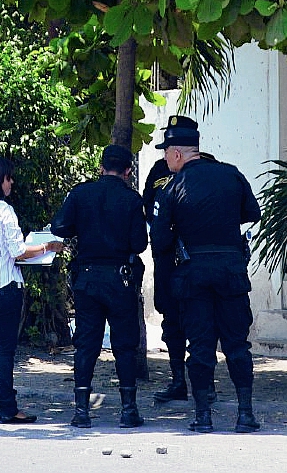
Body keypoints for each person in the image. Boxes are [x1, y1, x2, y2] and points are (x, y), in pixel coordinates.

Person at [150, 117, 262, 433]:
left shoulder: (172, 189)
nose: (164, 159)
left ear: (176, 154)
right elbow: (252, 213)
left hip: (193, 275)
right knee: (238, 345)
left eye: (165, 153)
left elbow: (158, 240)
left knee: (200, 346)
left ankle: (203, 417)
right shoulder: (231, 175)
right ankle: (245, 414)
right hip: (231, 271)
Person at [0, 156, 63, 424]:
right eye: (8, 178)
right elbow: (18, 252)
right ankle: (8, 408)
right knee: (4, 351)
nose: (11, 182)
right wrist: (46, 247)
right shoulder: (3, 211)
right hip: (2, 286)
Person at [52, 144, 148, 429]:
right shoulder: (132, 199)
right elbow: (140, 244)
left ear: (101, 167)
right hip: (120, 278)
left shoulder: (82, 193)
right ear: (128, 171)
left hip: (88, 277)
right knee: (124, 345)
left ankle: (82, 411)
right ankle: (128, 410)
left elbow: (60, 226)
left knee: (86, 344)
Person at [141, 117, 218, 405]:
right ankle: (177, 380)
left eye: (168, 147)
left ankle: (205, 383)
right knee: (171, 320)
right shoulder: (159, 170)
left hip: (197, 257)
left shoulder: (209, 166)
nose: (164, 154)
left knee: (202, 322)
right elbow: (148, 205)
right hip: (167, 258)